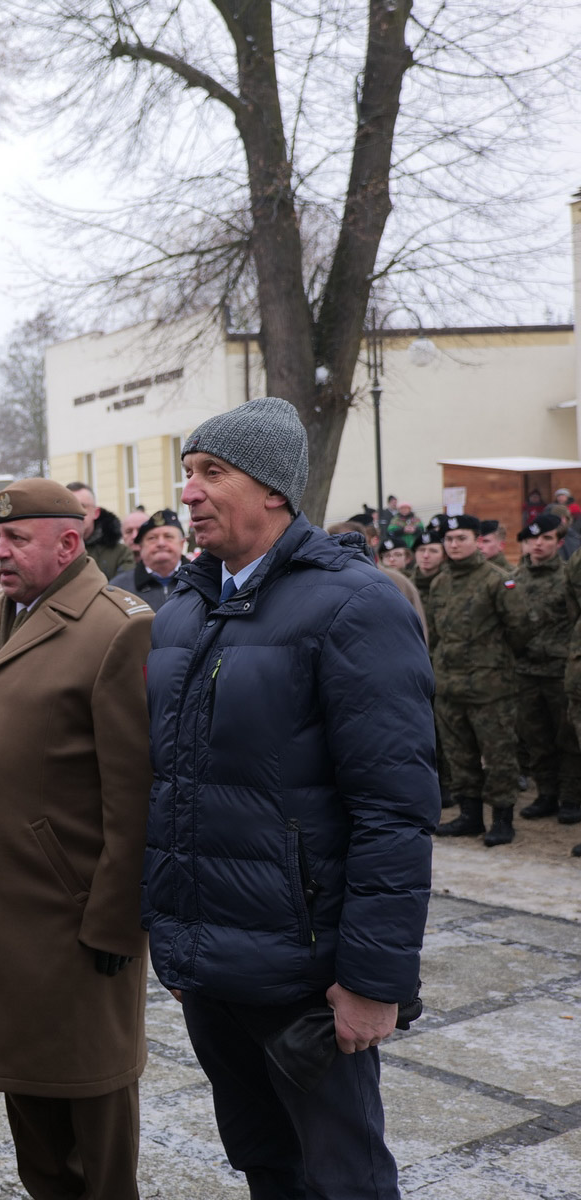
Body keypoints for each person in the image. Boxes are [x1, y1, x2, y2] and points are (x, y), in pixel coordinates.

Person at [144, 397, 436, 1200]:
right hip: (211, 968)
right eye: (188, 473)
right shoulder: (183, 612)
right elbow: (169, 787)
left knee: (344, 1182)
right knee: (265, 1166)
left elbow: (394, 808)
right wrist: (176, 936)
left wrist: (374, 981)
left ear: (274, 488)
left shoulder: (355, 605)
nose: (189, 493)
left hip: (307, 977)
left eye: (212, 473)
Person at [0, 479, 153, 1200]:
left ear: (69, 542)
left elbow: (134, 795)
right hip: (0, 906)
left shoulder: (115, 627)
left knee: (93, 1105)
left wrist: (117, 923)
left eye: (16, 539)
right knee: (28, 1103)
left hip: (73, 919)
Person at [432, 512, 526, 844]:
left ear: (477, 541)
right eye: (449, 539)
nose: (454, 544)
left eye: (462, 538)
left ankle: (502, 820)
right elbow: (437, 634)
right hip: (450, 686)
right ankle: (470, 817)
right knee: (459, 756)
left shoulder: (497, 580)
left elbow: (520, 629)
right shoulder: (440, 582)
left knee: (499, 755)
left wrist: (493, 660)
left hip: (490, 688)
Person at [511, 514, 579, 826]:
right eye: (533, 539)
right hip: (525, 671)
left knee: (567, 739)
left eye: (547, 538)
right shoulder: (514, 579)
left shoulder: (567, 578)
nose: (538, 544)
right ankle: (546, 794)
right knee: (535, 738)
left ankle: (572, 798)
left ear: (559, 543)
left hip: (558, 671)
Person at [109, 509, 186, 610]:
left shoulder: (200, 580)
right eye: (152, 538)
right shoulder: (119, 588)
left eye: (168, 536)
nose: (161, 543)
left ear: (182, 543)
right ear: (141, 546)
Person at [65, 483, 135, 580]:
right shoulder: (54, 551)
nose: (76, 513)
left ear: (96, 512)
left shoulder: (120, 553)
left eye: (82, 506)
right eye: (69, 507)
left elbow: (125, 585)